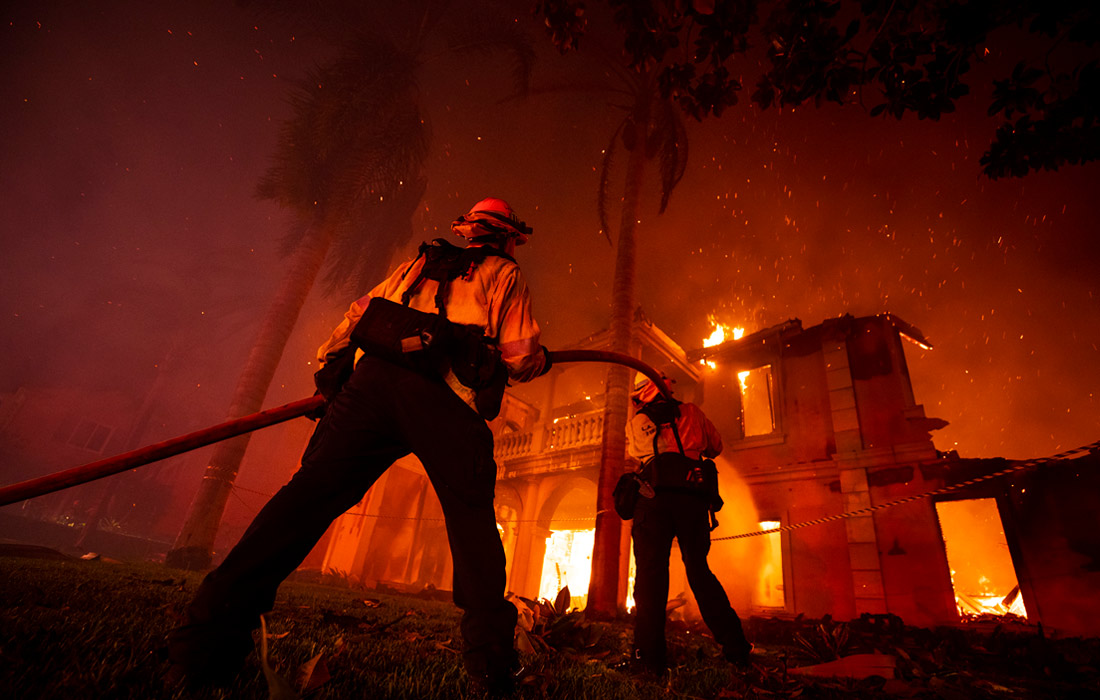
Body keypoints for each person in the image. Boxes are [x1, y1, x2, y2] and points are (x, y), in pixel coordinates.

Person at [167, 197, 550, 696]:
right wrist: (535, 362)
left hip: (369, 388)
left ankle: (202, 645)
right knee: (473, 526)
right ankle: (491, 668)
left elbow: (359, 314)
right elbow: (519, 357)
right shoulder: (503, 274)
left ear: (468, 230)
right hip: (444, 402)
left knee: (301, 505)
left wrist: (332, 380)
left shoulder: (420, 263)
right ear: (509, 237)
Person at [625, 376, 752, 675]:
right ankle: (736, 649)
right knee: (699, 572)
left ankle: (649, 661)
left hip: (652, 499)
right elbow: (716, 447)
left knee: (650, 579)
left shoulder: (638, 421)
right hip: (692, 500)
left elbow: (637, 454)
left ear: (641, 394)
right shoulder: (694, 413)